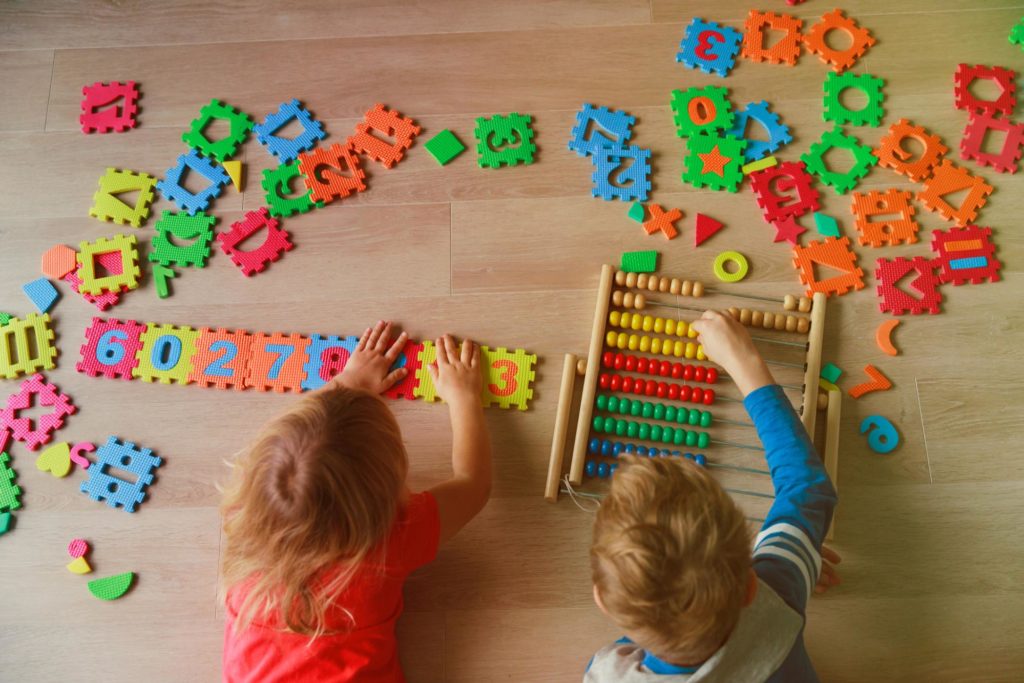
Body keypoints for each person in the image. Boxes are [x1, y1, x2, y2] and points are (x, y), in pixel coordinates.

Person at [220, 321, 491, 682]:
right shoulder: (389, 541)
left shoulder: (245, 522)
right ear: (384, 500)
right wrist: (464, 398)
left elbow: (289, 450)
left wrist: (347, 384)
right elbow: (474, 484)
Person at [585, 310, 840, 682]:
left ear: (603, 601)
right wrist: (745, 363)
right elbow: (806, 484)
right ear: (750, 585)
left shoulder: (607, 675)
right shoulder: (775, 591)